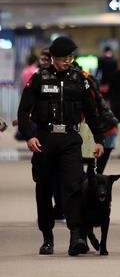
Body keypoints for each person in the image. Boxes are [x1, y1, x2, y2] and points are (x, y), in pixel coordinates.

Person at [17, 36, 104, 256]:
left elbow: (92, 112)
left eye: (71, 57)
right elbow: (23, 111)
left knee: (74, 186)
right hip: (44, 140)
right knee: (44, 189)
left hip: (70, 139)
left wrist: (99, 139)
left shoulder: (79, 79)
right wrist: (29, 136)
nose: (68, 60)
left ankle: (76, 235)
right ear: (53, 58)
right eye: (64, 57)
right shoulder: (39, 78)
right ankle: (47, 237)